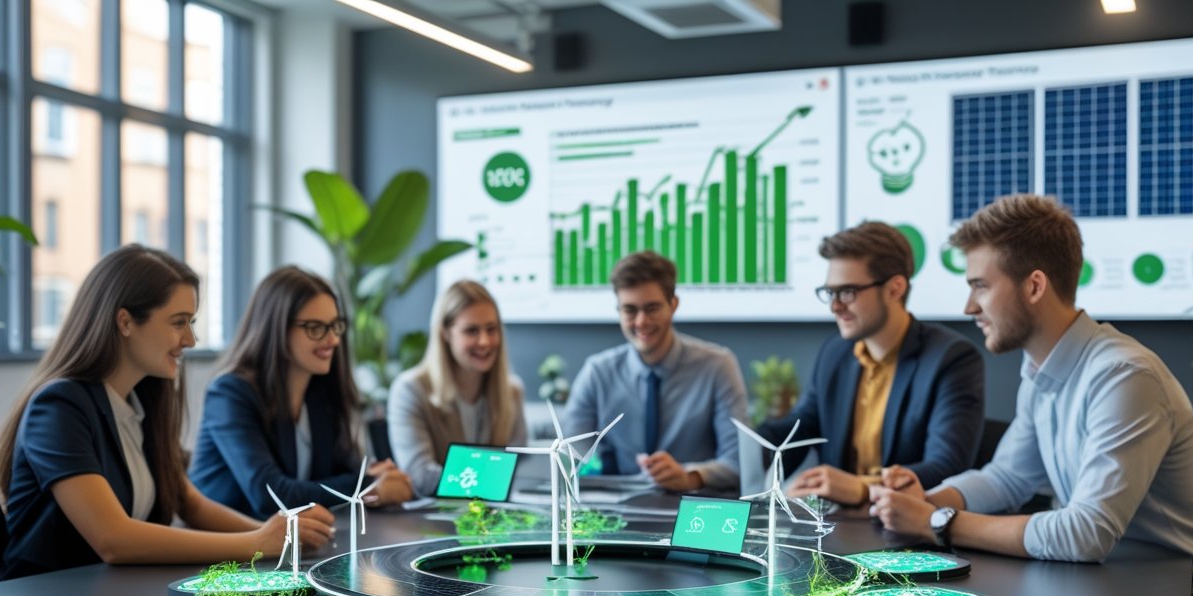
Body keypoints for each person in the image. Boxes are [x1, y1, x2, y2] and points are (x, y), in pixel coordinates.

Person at [870, 194, 1193, 582]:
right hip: (1113, 587)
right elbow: (1007, 478)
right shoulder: (1041, 369)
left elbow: (1086, 534)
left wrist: (939, 522)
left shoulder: (1125, 376)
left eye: (980, 287)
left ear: (1034, 286)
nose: (969, 307)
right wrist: (926, 500)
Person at [0, 245, 334, 579]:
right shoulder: (59, 407)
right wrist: (257, 543)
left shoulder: (139, 402)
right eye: (178, 322)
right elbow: (113, 540)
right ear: (125, 322)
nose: (190, 339)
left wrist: (278, 536)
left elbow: (190, 503)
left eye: (191, 322)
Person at [760, 221, 985, 505]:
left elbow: (947, 467)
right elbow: (800, 427)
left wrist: (863, 489)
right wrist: (747, 446)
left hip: (908, 527)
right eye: (831, 292)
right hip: (837, 523)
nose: (835, 306)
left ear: (895, 289)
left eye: (848, 292)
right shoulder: (835, 352)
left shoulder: (951, 358)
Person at [190, 265, 413, 518]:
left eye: (335, 326)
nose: (333, 340)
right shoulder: (230, 393)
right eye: (315, 328)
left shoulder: (319, 392)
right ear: (276, 328)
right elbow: (271, 496)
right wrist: (369, 488)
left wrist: (376, 480)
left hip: (291, 545)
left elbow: (337, 476)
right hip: (226, 550)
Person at [564, 251, 748, 492]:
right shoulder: (598, 372)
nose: (641, 322)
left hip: (693, 510)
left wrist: (689, 476)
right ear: (618, 311)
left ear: (673, 305)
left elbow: (739, 463)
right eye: (630, 310)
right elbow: (569, 462)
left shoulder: (717, 366)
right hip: (616, 511)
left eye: (652, 308)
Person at [387, 279, 527, 495]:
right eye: (471, 331)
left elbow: (522, 468)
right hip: (434, 521)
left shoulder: (512, 391)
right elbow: (421, 477)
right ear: (445, 333)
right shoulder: (410, 390)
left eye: (491, 329)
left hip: (496, 520)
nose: (485, 341)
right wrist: (497, 480)